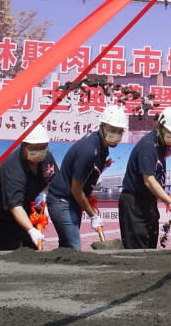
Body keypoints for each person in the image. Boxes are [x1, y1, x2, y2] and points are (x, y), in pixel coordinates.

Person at [48, 105, 128, 250]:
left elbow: (86, 182)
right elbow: (76, 189)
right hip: (62, 200)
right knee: (74, 246)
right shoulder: (90, 150)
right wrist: (92, 215)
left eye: (119, 131)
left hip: (72, 201)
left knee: (67, 247)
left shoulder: (102, 147)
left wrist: (89, 206)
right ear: (102, 126)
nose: (116, 135)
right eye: (112, 130)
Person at [118, 106, 171, 249]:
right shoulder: (149, 145)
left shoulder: (162, 145)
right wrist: (170, 202)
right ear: (161, 126)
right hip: (134, 204)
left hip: (148, 202)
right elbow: (149, 180)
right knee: (137, 248)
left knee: (150, 245)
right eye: (170, 132)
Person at [0, 124, 56, 251]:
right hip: (4, 217)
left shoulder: (47, 157)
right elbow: (15, 206)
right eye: (34, 147)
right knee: (9, 254)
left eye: (43, 147)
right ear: (23, 146)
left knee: (31, 252)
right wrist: (31, 230)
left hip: (28, 210)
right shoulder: (12, 168)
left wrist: (44, 193)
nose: (39, 151)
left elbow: (53, 179)